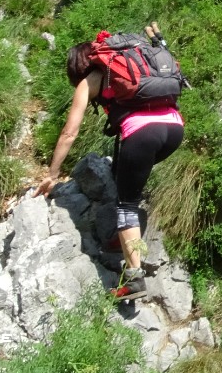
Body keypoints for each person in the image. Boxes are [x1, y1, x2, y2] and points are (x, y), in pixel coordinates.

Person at [37, 30, 185, 301]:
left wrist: (52, 174)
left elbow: (70, 132)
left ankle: (134, 278)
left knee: (126, 205)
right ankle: (126, 236)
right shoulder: (129, 63)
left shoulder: (90, 79)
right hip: (174, 129)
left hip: (143, 134)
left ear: (77, 66)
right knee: (124, 182)